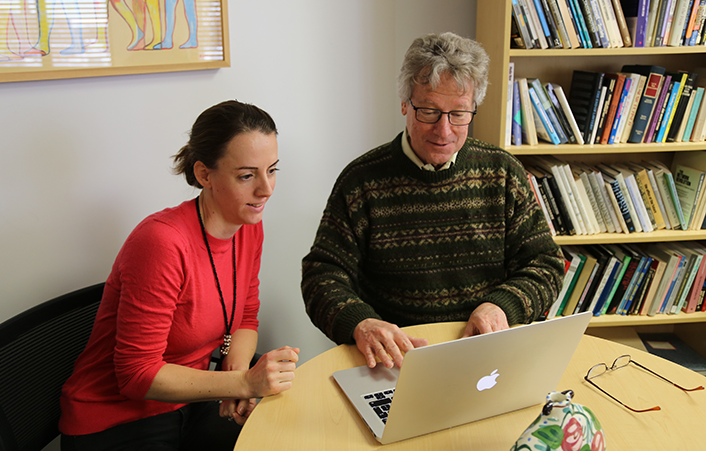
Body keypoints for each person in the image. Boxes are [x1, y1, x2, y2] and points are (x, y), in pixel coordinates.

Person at [301, 32, 564, 371]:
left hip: (484, 355)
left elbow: (546, 264)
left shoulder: (503, 174)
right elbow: (322, 276)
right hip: (395, 360)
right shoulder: (361, 182)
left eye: (459, 113)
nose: (444, 130)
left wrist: (501, 306)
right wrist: (361, 323)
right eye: (428, 111)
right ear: (404, 104)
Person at [60, 100, 300, 451]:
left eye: (272, 170)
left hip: (189, 402)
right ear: (204, 175)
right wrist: (244, 383)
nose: (266, 189)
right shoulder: (161, 242)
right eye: (247, 176)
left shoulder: (247, 224)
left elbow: (245, 317)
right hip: (116, 420)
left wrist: (236, 378)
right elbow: (136, 375)